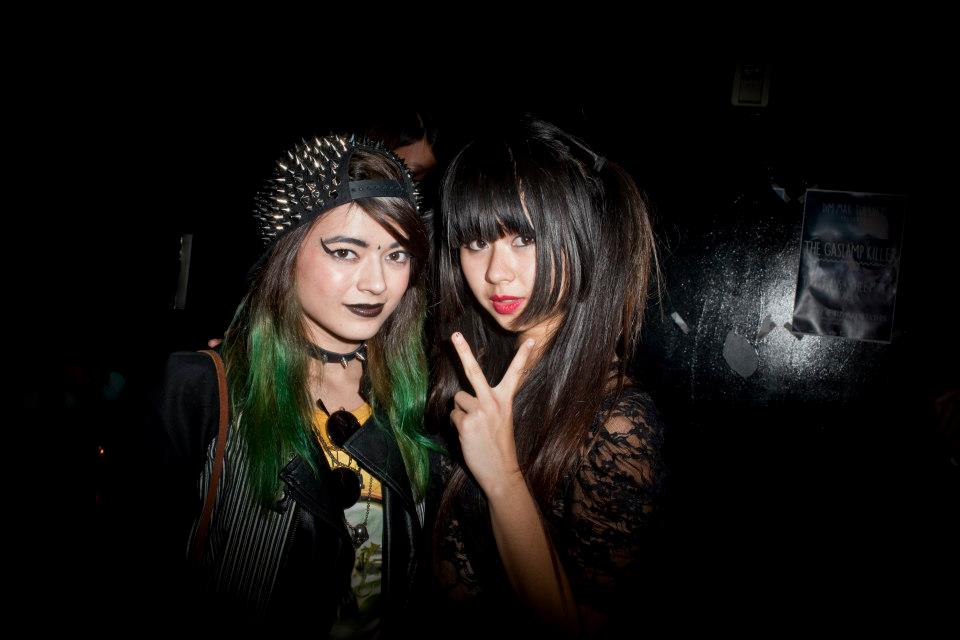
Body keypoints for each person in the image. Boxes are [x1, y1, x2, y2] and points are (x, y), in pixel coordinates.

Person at [146, 134, 437, 634]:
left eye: (396, 255)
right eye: (345, 252)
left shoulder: (416, 393)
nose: (377, 283)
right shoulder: (202, 390)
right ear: (287, 252)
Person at [426, 116, 668, 636]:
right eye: (476, 242)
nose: (496, 271)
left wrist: (504, 479)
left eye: (524, 238)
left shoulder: (618, 423)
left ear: (580, 239)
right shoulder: (470, 368)